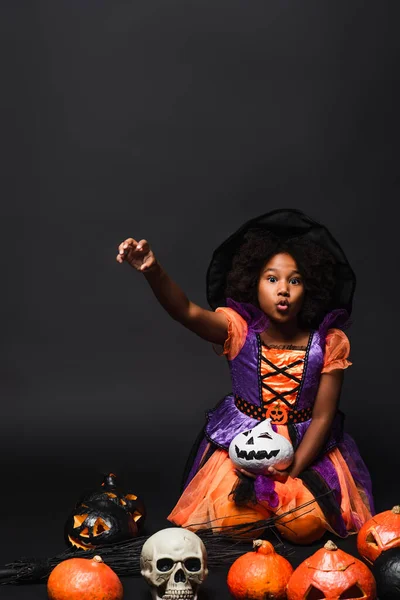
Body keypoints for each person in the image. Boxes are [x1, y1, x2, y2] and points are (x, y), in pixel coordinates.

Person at [116, 209, 374, 544]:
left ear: (310, 288)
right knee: (236, 525)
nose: (283, 290)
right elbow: (187, 312)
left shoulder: (328, 342)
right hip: (245, 442)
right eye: (272, 279)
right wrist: (154, 271)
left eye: (294, 280)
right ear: (253, 282)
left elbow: (324, 415)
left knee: (305, 526)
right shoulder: (238, 330)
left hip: (304, 445)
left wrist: (293, 471)